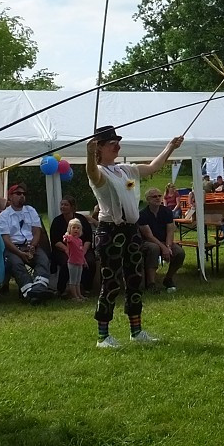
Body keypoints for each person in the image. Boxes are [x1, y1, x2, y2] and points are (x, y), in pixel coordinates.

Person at [87, 126, 183, 348]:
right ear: (100, 147)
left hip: (131, 231)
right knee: (110, 283)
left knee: (134, 281)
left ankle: (136, 331)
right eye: (112, 143)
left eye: (117, 142)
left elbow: (152, 167)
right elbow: (91, 172)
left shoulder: (126, 171)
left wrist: (170, 147)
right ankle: (103, 337)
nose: (117, 146)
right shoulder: (100, 173)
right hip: (110, 231)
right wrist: (89, 154)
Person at [0, 184, 52, 302]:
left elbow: (37, 231)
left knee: (43, 260)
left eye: (24, 194)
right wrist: (20, 253)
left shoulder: (31, 210)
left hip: (31, 245)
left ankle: (38, 289)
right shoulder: (3, 216)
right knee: (17, 265)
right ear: (10, 196)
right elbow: (6, 239)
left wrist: (32, 246)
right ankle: (30, 293)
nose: (22, 196)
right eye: (18, 193)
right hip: (13, 248)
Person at [137, 187, 185, 292]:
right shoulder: (142, 215)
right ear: (148, 199)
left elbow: (170, 231)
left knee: (179, 252)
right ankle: (151, 283)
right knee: (154, 249)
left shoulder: (167, 211)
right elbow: (148, 235)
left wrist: (167, 247)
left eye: (159, 196)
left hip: (164, 241)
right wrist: (163, 248)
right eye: (154, 196)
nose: (158, 198)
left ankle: (168, 279)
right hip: (148, 242)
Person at [50, 196, 94, 296]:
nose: (63, 207)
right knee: (66, 263)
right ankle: (61, 289)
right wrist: (67, 249)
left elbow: (88, 238)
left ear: (72, 207)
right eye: (62, 204)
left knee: (90, 261)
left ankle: (86, 288)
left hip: (81, 248)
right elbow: (55, 240)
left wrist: (83, 252)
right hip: (62, 249)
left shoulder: (81, 219)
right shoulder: (57, 221)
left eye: (66, 205)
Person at [56, 218, 89, 302]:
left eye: (78, 228)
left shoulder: (80, 240)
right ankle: (74, 296)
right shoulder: (70, 238)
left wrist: (84, 261)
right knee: (73, 280)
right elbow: (65, 239)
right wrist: (66, 237)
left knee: (78, 280)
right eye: (74, 227)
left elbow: (81, 252)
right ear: (70, 229)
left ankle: (79, 295)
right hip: (72, 263)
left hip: (79, 263)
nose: (76, 230)